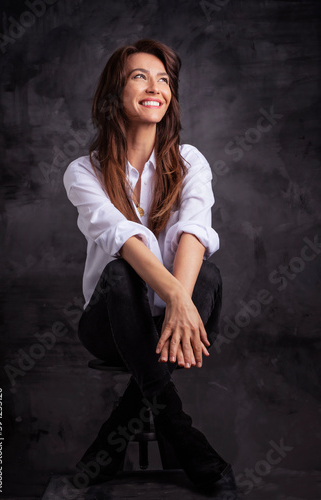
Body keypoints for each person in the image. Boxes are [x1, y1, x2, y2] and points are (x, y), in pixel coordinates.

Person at [63, 38, 231, 490]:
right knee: (120, 272)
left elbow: (194, 231)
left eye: (163, 79)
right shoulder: (85, 171)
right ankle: (185, 438)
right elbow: (123, 239)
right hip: (109, 325)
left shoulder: (189, 160)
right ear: (115, 93)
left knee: (207, 274)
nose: (155, 86)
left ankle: (107, 451)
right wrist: (177, 295)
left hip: (178, 326)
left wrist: (180, 301)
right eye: (140, 76)